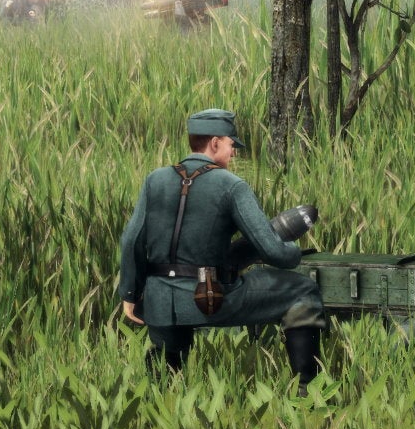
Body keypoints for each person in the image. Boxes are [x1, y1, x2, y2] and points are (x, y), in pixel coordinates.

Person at [115, 108, 326, 380]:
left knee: (167, 357)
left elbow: (131, 238)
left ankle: (158, 395)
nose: (233, 152)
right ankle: (308, 391)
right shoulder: (231, 185)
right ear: (214, 142)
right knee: (303, 290)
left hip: (159, 301)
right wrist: (294, 254)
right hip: (210, 299)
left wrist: (130, 294)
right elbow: (272, 251)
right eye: (230, 144)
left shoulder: (154, 180)